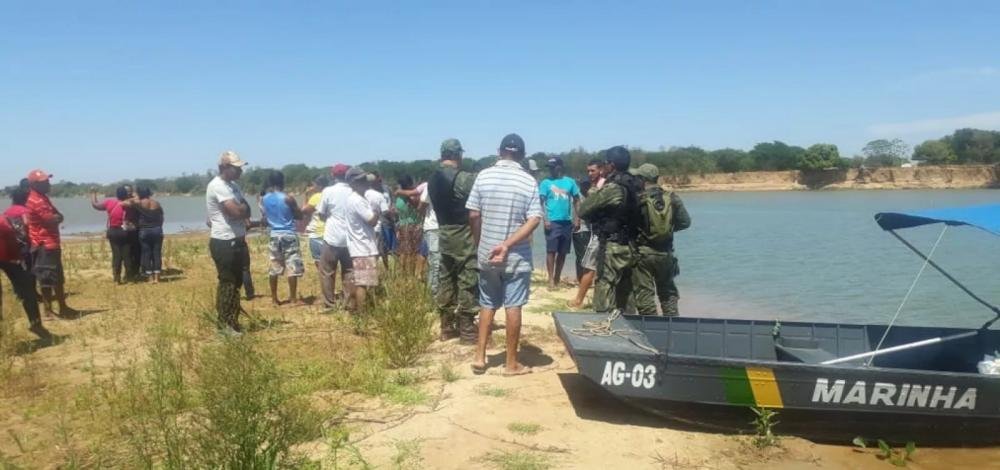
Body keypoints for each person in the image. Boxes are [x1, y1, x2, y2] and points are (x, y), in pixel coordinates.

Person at [467, 133, 542, 376]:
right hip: (516, 257)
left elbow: (473, 215)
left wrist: (481, 244)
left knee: (487, 304)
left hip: (487, 254)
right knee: (513, 306)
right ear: (521, 155)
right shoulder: (528, 181)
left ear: (499, 152)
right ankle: (511, 363)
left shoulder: (483, 176)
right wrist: (508, 244)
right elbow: (534, 219)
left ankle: (480, 356)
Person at [579, 146, 647, 313]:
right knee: (627, 289)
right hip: (632, 244)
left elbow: (584, 210)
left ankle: (601, 323)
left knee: (604, 285)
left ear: (611, 165)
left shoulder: (613, 188)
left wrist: (595, 188)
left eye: (606, 164)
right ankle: (630, 325)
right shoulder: (637, 184)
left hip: (613, 245)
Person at [427, 138, 479, 343]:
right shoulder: (463, 178)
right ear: (458, 155)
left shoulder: (432, 177)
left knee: (446, 277)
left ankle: (446, 326)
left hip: (443, 231)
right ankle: (467, 329)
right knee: (468, 276)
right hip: (462, 231)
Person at [631, 164, 691, 316]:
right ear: (657, 178)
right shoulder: (672, 197)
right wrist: (668, 229)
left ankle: (651, 329)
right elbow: (685, 222)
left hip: (643, 253)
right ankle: (673, 325)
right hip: (666, 252)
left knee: (645, 295)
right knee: (668, 292)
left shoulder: (637, 199)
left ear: (642, 179)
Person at [206, 151, 251, 333]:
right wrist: (243, 210)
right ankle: (224, 325)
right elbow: (237, 212)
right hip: (225, 241)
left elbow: (246, 209)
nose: (240, 171)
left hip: (237, 239)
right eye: (236, 167)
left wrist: (244, 210)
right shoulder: (218, 186)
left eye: (240, 167)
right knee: (228, 283)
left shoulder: (233, 186)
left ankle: (233, 321)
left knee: (236, 283)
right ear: (224, 167)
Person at [24, 170, 78, 317]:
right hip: (44, 244)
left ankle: (63, 307)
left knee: (57, 278)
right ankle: (48, 310)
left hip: (50, 243)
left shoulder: (42, 198)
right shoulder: (37, 200)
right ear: (35, 184)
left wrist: (58, 217)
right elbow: (52, 218)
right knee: (47, 278)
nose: (48, 184)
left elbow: (57, 215)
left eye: (47, 181)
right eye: (45, 182)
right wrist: (58, 217)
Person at [1, 189, 50, 339]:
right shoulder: (22, 213)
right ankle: (35, 324)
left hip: (9, 254)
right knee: (27, 290)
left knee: (24, 289)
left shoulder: (6, 214)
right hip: (14, 255)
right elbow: (28, 230)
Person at [261, 171, 305, 306]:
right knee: (292, 265)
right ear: (282, 182)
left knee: (274, 266)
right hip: (288, 234)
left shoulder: (265, 198)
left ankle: (274, 299)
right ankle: (292, 299)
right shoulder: (288, 198)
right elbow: (299, 216)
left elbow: (265, 217)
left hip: (274, 234)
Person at [569, 159, 607, 308]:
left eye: (593, 170)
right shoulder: (601, 185)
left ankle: (579, 300)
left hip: (600, 232)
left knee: (589, 266)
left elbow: (587, 210)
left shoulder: (602, 187)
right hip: (600, 231)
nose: (590, 174)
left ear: (601, 170)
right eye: (588, 171)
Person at [316, 164, 355, 309]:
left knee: (327, 271)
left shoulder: (328, 191)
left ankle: (329, 304)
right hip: (350, 238)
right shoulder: (353, 191)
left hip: (332, 237)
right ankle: (349, 302)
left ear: (333, 176)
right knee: (349, 271)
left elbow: (321, 214)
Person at [539, 156, 581, 289]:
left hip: (567, 222)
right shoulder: (545, 183)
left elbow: (577, 200)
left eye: (553, 167)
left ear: (560, 167)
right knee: (551, 251)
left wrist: (577, 217)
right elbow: (540, 203)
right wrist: (544, 219)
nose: (551, 169)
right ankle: (550, 280)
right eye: (549, 167)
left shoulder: (570, 182)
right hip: (552, 221)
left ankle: (557, 277)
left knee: (563, 252)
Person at [344, 168, 380, 312]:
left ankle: (357, 310)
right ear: (354, 183)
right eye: (362, 180)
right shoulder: (357, 200)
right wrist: (377, 211)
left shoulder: (355, 199)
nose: (366, 183)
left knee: (361, 281)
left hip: (359, 246)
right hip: (363, 247)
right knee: (364, 283)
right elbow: (371, 221)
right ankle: (363, 313)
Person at [90, 186, 136, 284]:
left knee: (116, 255)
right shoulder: (129, 203)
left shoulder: (109, 202)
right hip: (124, 231)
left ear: (116, 194)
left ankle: (116, 279)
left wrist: (93, 193)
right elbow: (137, 202)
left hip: (112, 231)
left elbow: (95, 205)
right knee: (126, 255)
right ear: (126, 194)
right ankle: (130, 278)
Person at [394, 175, 422, 276]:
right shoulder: (403, 194)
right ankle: (407, 274)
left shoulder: (407, 194)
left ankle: (407, 273)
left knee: (408, 251)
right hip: (408, 225)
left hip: (409, 225)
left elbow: (416, 206)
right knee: (408, 252)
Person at [136, 186, 165, 283]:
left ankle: (150, 278)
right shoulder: (156, 203)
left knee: (146, 254)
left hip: (144, 231)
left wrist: (134, 197)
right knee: (157, 253)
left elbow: (126, 203)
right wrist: (159, 227)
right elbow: (162, 217)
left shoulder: (139, 203)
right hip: (157, 230)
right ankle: (157, 278)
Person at [302, 175, 330, 276]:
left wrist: (306, 195)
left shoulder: (316, 197)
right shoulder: (330, 195)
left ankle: (325, 283)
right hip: (330, 232)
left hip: (317, 233)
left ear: (318, 185)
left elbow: (304, 211)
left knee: (319, 262)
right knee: (330, 262)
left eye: (313, 184)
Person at [363, 174, 391, 270]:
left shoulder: (360, 195)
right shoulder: (379, 195)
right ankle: (376, 272)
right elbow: (385, 212)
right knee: (379, 251)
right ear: (375, 182)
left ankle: (366, 275)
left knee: (366, 252)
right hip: (377, 227)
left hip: (363, 229)